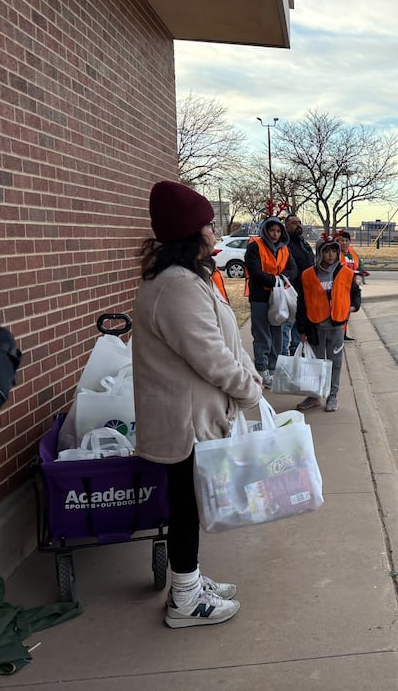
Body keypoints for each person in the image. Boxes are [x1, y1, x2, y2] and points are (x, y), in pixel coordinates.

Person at [133, 180, 263, 628]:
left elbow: (222, 338)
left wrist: (247, 374)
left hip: (191, 418)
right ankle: (185, 600)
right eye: (208, 223)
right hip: (184, 425)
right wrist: (249, 390)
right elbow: (210, 356)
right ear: (193, 232)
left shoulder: (187, 279)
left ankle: (188, 581)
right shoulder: (177, 288)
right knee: (186, 510)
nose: (214, 230)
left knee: (189, 507)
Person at [296, 234, 362, 412]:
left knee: (335, 363)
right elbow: (301, 303)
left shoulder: (345, 273)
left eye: (334, 250)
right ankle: (314, 395)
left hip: (336, 327)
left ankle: (333, 395)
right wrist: (301, 329)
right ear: (319, 253)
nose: (331, 254)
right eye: (327, 251)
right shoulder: (308, 275)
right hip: (315, 327)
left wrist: (353, 307)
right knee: (315, 364)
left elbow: (355, 293)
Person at [244, 217, 296, 387]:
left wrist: (282, 279)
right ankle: (261, 369)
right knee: (262, 334)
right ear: (266, 231)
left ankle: (273, 368)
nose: (275, 234)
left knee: (277, 334)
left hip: (278, 297)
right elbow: (255, 271)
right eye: (272, 230)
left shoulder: (284, 249)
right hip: (261, 296)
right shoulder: (255, 246)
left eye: (278, 231)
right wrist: (274, 280)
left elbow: (292, 269)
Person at [282, 215, 314, 355]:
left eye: (299, 222)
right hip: (289, 292)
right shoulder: (284, 244)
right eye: (294, 223)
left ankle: (295, 353)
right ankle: (283, 357)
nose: (298, 225)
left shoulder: (303, 243)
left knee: (298, 325)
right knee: (286, 326)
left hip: (304, 292)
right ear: (286, 227)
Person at [337, 231, 365, 341]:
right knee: (340, 311)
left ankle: (343, 333)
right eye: (341, 240)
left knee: (348, 310)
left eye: (346, 241)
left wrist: (362, 271)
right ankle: (338, 333)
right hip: (340, 287)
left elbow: (360, 265)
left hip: (351, 286)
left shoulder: (352, 253)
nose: (344, 243)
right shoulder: (336, 253)